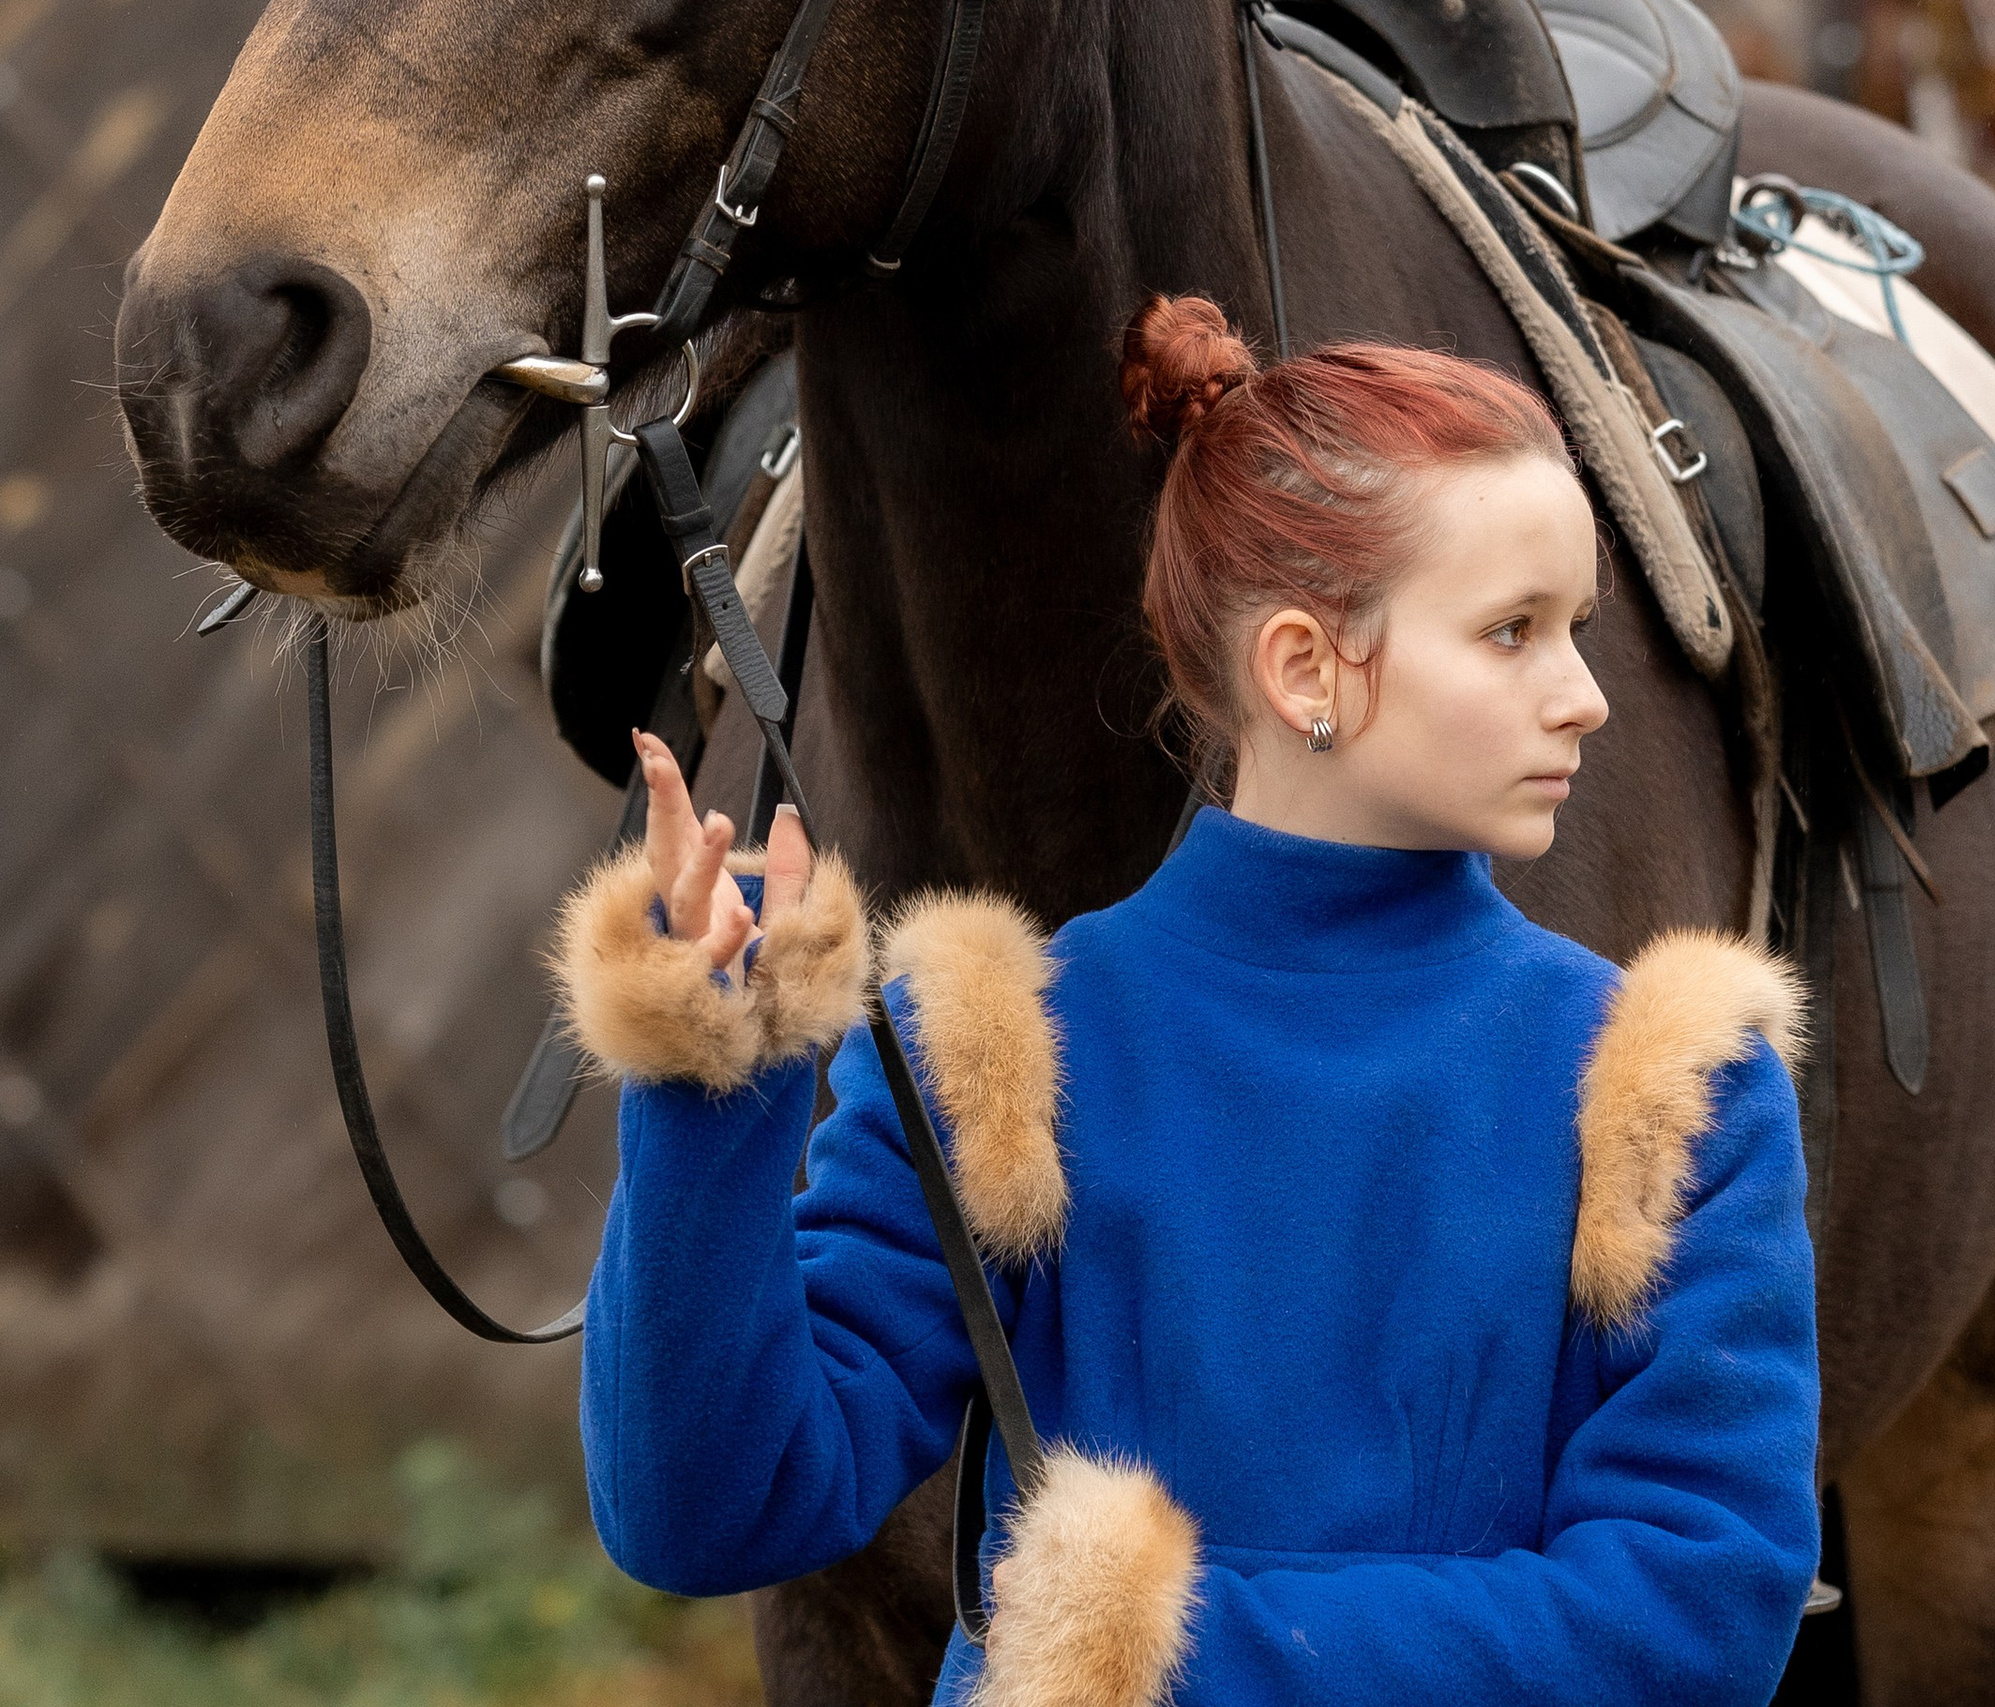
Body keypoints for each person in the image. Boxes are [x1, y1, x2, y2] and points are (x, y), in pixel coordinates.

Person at [555, 294, 1820, 1707]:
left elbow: (1702, 1604)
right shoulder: (1000, 1047)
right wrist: (708, 1075)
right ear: (1304, 670)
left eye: (1575, 626)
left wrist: (1163, 1650)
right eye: (1516, 632)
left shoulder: (1664, 1081)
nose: (1586, 695)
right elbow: (709, 1508)